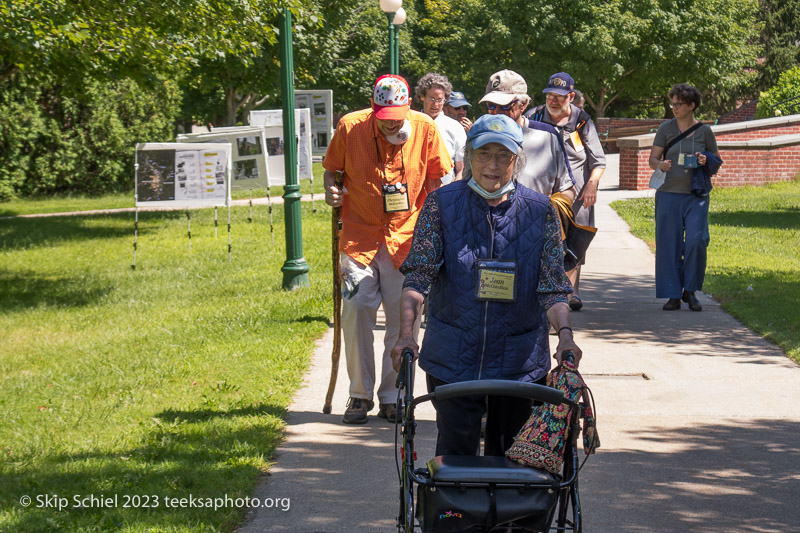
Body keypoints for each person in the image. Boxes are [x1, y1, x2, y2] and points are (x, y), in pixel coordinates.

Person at [391, 114, 581, 457]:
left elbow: (553, 287)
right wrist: (407, 334)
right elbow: (419, 276)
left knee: (512, 457)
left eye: (503, 156)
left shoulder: (540, 212)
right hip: (454, 357)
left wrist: (565, 335)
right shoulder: (441, 205)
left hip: (519, 362)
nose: (492, 165)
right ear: (469, 154)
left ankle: (507, 514)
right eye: (483, 154)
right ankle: (454, 514)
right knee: (456, 457)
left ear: (517, 161)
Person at [323, 74, 453, 424]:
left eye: (397, 117)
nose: (390, 124)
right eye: (384, 118)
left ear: (408, 107)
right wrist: (330, 192)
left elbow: (439, 180)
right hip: (358, 237)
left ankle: (394, 395)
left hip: (407, 238)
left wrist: (438, 224)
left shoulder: (424, 128)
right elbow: (332, 170)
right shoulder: (351, 127)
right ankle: (359, 394)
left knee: (402, 319)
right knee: (355, 312)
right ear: (374, 108)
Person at [526, 72, 607, 311]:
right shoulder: (534, 116)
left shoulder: (582, 121)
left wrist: (592, 184)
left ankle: (570, 292)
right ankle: (541, 287)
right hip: (541, 189)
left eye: (559, 97)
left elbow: (599, 161)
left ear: (570, 97)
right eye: (550, 95)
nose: (553, 101)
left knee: (575, 240)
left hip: (577, 193)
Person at [648, 83, 720, 312]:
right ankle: (672, 294)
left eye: (679, 104)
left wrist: (705, 160)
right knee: (669, 244)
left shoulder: (705, 131)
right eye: (673, 103)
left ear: (692, 105)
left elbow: (716, 160)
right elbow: (652, 159)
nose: (674, 108)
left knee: (697, 240)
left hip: (696, 195)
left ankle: (690, 290)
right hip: (668, 193)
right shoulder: (665, 128)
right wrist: (661, 164)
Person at [480, 70, 575, 201]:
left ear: (523, 104)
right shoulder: (478, 138)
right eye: (491, 105)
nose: (496, 112)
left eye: (504, 106)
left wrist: (553, 211)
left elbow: (567, 188)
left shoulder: (548, 136)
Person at [415, 73, 467, 184]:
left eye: (440, 99)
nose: (436, 104)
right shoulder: (411, 124)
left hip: (446, 194)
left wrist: (452, 191)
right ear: (422, 97)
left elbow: (462, 169)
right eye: (432, 98)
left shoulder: (455, 128)